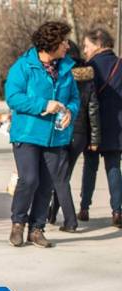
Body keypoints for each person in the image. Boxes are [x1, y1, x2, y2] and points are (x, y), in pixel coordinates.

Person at [5, 21, 79, 248]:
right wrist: (43, 104)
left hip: (55, 136)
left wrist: (70, 113)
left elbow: (74, 99)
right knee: (30, 179)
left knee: (47, 184)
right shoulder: (24, 66)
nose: (67, 45)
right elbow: (13, 97)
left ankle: (37, 229)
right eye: (64, 41)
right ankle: (18, 223)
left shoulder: (66, 68)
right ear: (52, 43)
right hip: (27, 133)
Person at [48, 41, 101, 232]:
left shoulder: (59, 74)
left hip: (61, 129)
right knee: (62, 175)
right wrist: (94, 138)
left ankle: (64, 218)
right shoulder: (87, 77)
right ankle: (54, 213)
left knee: (59, 176)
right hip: (80, 134)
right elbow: (93, 109)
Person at [79, 27, 122, 227]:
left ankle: (84, 208)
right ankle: (117, 211)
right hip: (117, 126)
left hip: (92, 127)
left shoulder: (89, 67)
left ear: (98, 44)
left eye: (87, 46)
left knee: (90, 168)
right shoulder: (120, 65)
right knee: (114, 168)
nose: (85, 50)